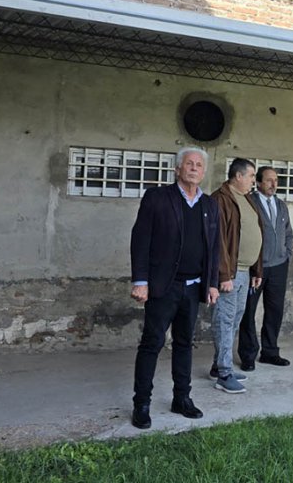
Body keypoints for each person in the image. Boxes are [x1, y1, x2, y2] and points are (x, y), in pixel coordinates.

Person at [129, 147, 220, 429]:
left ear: (203, 173)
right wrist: (140, 281)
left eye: (199, 165)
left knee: (184, 344)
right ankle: (141, 404)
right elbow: (140, 240)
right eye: (189, 164)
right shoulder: (158, 198)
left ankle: (182, 398)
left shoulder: (208, 205)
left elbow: (213, 247)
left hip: (193, 288)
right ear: (177, 169)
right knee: (152, 344)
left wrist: (212, 282)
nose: (194, 168)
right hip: (163, 287)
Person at [210, 158, 263, 393]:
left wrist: (256, 269)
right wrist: (223, 275)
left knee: (235, 319)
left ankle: (220, 365)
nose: (254, 181)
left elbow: (256, 233)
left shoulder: (247, 199)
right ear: (238, 176)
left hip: (244, 272)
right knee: (225, 319)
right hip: (230, 274)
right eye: (252, 176)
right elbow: (218, 241)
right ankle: (224, 373)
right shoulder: (220, 199)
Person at [238, 166, 293, 369]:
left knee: (275, 310)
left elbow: (288, 232)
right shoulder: (249, 203)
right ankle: (248, 355)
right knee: (248, 311)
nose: (273, 184)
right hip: (256, 267)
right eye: (269, 180)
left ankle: (270, 352)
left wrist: (287, 253)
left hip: (279, 266)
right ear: (259, 182)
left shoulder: (280, 205)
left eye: (276, 180)